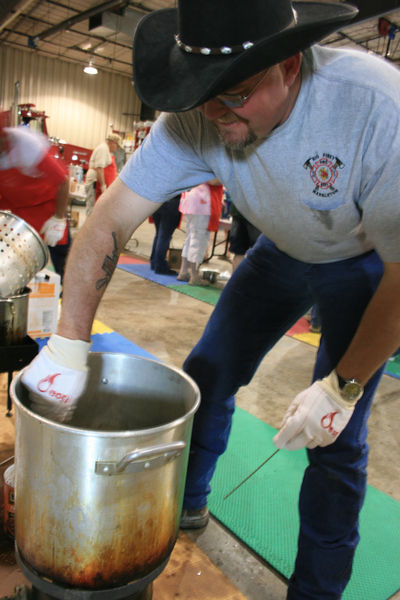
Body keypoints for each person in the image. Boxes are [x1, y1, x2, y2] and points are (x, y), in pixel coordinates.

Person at [20, 0, 400, 598]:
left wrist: (342, 387)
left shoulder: (375, 107)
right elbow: (106, 223)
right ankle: (186, 506)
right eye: (202, 95)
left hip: (364, 260)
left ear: (291, 67)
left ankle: (316, 592)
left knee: (336, 439)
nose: (215, 115)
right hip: (280, 248)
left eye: (237, 96)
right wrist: (69, 341)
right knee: (207, 372)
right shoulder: (196, 116)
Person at [0, 118, 70, 280]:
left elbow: (62, 181)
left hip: (49, 208)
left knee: (60, 263)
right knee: (20, 264)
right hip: (19, 212)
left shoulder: (26, 145)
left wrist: (58, 219)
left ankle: (63, 298)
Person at [177, 179, 222, 284]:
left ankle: (183, 271)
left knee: (190, 238)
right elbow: (213, 181)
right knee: (198, 240)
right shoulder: (212, 161)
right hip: (202, 202)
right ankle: (194, 275)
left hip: (191, 198)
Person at [84, 133, 121, 215]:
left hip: (96, 182)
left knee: (96, 209)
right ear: (112, 142)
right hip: (94, 182)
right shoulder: (103, 149)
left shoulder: (106, 149)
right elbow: (99, 168)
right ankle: (90, 227)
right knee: (92, 208)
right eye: (117, 146)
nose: (116, 148)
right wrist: (103, 185)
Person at [150, 194, 181, 275]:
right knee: (164, 236)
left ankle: (154, 262)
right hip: (172, 202)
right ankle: (160, 265)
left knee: (159, 234)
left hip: (158, 200)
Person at [228, 202, 261, 271]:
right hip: (256, 212)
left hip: (239, 210)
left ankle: (236, 280)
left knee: (238, 253)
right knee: (259, 253)